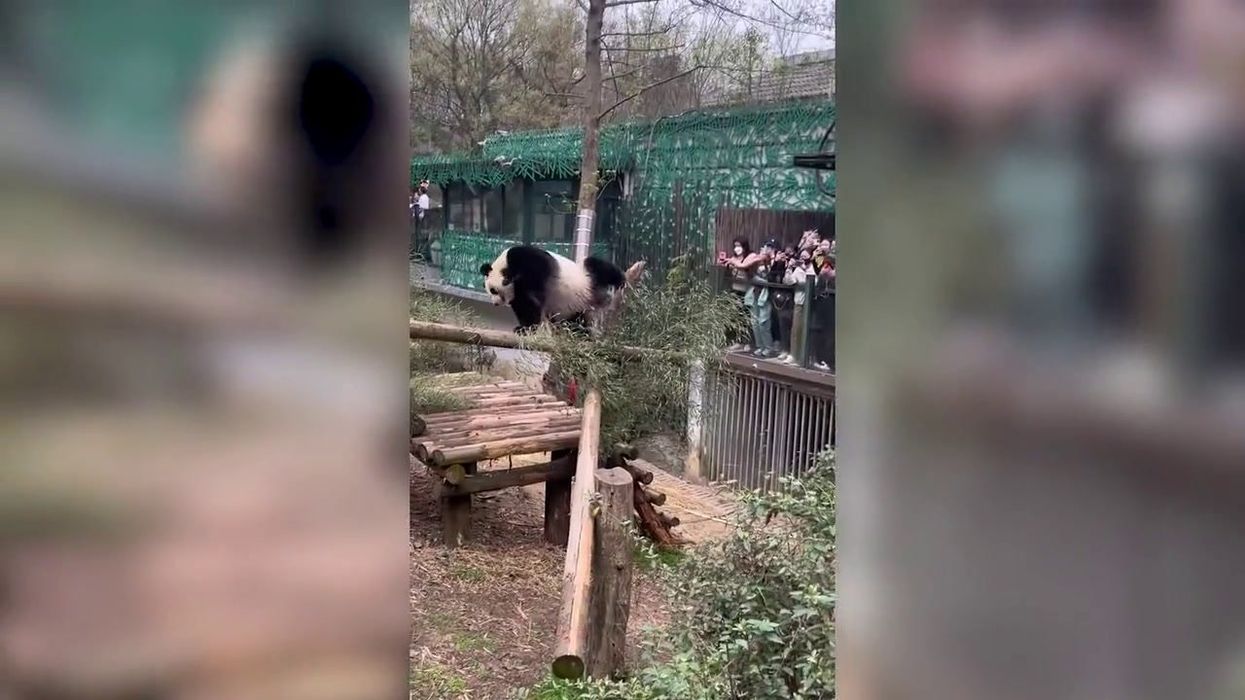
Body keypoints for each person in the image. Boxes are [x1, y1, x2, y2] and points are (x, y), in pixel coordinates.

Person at [721, 238, 758, 351]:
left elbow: (744, 266)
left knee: (747, 317)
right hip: (735, 289)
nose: (737, 248)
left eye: (739, 245)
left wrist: (733, 262)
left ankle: (748, 342)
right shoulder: (734, 258)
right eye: (735, 245)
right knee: (737, 317)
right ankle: (739, 341)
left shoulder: (751, 256)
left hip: (747, 290)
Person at [744, 242, 779, 358]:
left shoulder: (773, 262)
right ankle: (760, 346)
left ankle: (768, 347)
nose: (765, 249)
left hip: (766, 296)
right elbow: (748, 271)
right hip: (754, 294)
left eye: (768, 247)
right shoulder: (755, 261)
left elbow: (771, 278)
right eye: (764, 246)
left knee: (764, 322)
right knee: (754, 322)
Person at [784, 249, 816, 365]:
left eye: (806, 256)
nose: (803, 258)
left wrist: (806, 269)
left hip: (812, 303)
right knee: (796, 329)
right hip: (799, 303)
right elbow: (788, 281)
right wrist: (788, 268)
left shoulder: (814, 267)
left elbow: (814, 282)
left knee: (809, 330)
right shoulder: (797, 269)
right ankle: (794, 355)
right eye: (801, 256)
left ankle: (806, 357)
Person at [770, 243, 796, 362]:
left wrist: (790, 266)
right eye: (785, 252)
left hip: (792, 299)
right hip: (780, 299)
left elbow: (790, 281)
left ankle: (791, 351)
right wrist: (776, 262)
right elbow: (771, 277)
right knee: (782, 325)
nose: (787, 255)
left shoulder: (795, 265)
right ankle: (784, 349)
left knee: (791, 327)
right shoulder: (780, 264)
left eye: (790, 253)